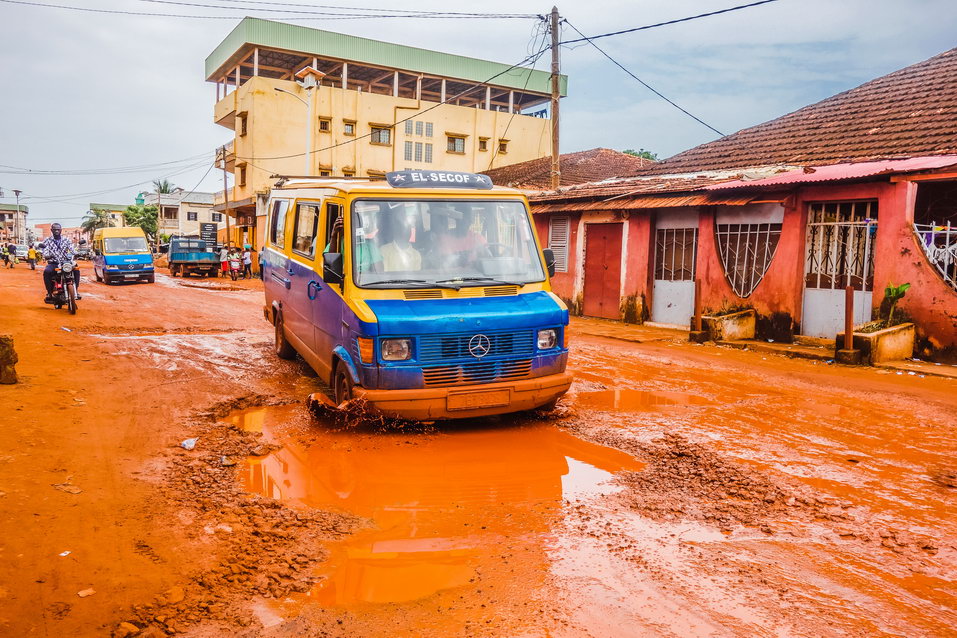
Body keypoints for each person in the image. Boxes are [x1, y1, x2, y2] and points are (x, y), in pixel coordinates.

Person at [41, 223, 81, 302]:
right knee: (47, 271)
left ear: (61, 230)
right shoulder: (47, 240)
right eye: (54, 229)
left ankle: (75, 290)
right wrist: (47, 255)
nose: (56, 231)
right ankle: (49, 293)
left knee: (76, 269)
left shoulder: (66, 240)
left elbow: (72, 249)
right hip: (54, 263)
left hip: (66, 262)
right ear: (51, 230)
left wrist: (77, 253)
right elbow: (45, 250)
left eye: (58, 229)